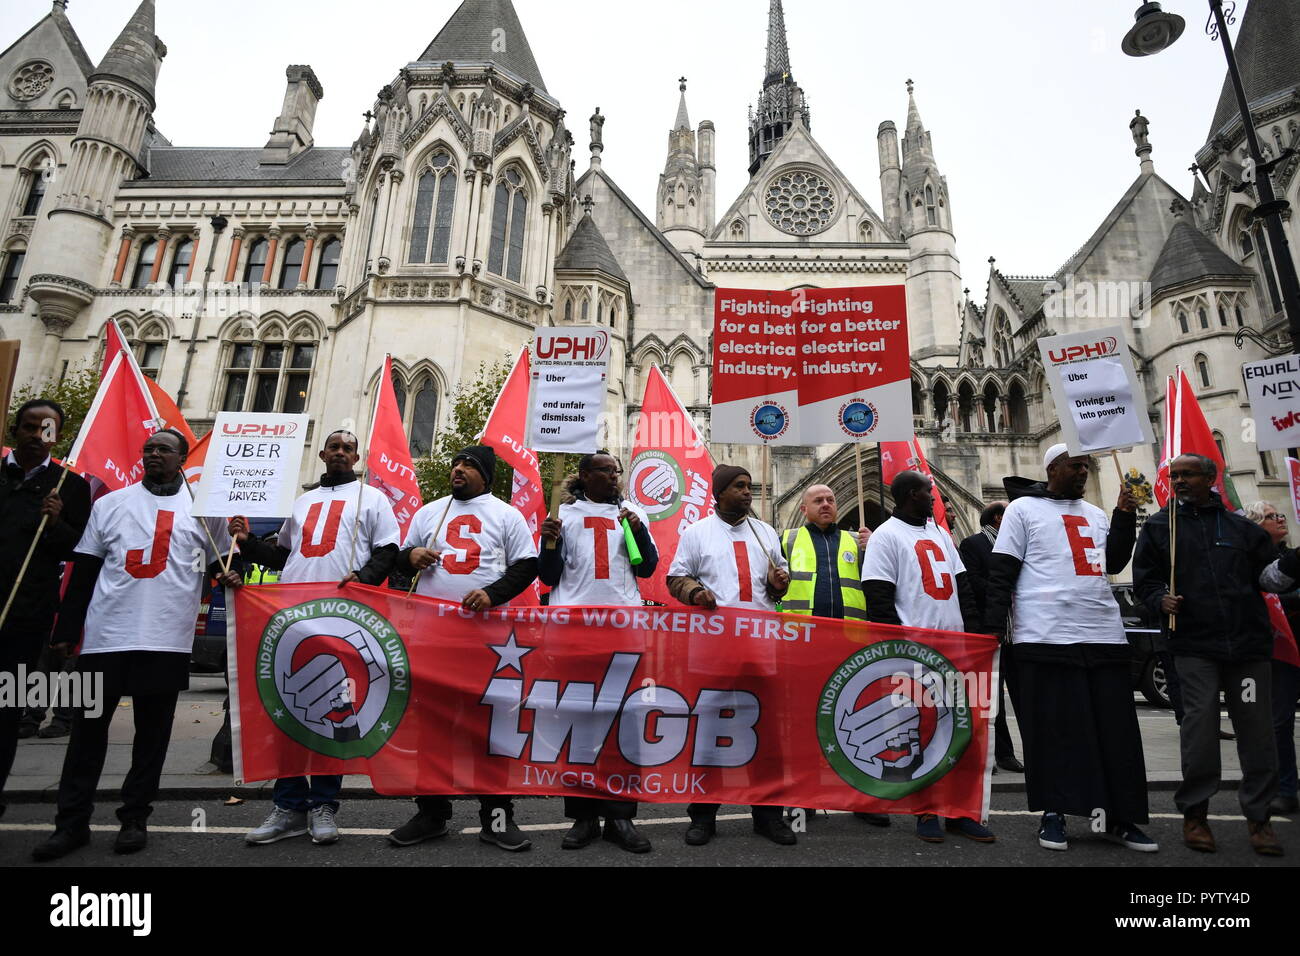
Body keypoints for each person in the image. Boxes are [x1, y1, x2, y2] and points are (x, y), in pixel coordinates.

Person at [32, 430, 242, 861]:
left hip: (166, 640)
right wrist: (67, 630)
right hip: (106, 638)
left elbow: (225, 566)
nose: (153, 454)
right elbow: (85, 570)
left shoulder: (203, 512)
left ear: (182, 458)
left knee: (152, 738)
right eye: (148, 448)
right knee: (86, 736)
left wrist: (236, 556)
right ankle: (71, 823)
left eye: (163, 449)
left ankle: (134, 818)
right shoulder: (110, 504)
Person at [231, 430, 400, 847]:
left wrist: (363, 579)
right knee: (288, 709)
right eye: (335, 447)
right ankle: (288, 806)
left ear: (357, 456)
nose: (341, 452)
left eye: (348, 447)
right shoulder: (303, 502)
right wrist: (247, 542)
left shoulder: (372, 499)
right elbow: (283, 555)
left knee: (337, 712)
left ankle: (324, 804)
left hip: (342, 617)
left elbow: (389, 549)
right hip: (295, 616)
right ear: (323, 454)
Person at [985, 444, 1157, 853]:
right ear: (1053, 469)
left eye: (1086, 466)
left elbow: (1113, 563)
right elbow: (1002, 571)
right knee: (1055, 731)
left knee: (1114, 734)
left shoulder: (1097, 514)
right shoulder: (1023, 511)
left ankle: (1121, 818)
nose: (1083, 472)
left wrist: (1124, 512)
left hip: (1102, 634)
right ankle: (1054, 813)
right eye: (1076, 466)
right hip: (1045, 636)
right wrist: (992, 632)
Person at [387, 446, 539, 852]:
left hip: (487, 643)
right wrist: (410, 556)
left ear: (485, 475)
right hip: (434, 638)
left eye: (469, 464)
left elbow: (527, 565)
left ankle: (496, 816)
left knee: (491, 729)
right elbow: (400, 560)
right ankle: (432, 813)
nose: (458, 468)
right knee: (433, 727)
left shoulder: (506, 515)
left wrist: (492, 594)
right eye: (456, 463)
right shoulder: (429, 513)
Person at [1133, 456, 1285, 856]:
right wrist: (1157, 600)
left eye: (1187, 475)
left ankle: (1260, 817)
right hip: (1193, 646)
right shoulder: (1158, 527)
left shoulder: (1240, 529)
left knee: (1256, 732)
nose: (1179, 481)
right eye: (1174, 476)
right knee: (1198, 730)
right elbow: (1144, 581)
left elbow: (1268, 578)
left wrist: (1291, 566)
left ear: (1210, 478)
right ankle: (1195, 814)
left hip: (1246, 647)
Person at [862, 470, 995, 845]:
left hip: (955, 651)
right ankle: (926, 810)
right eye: (926, 491)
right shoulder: (886, 536)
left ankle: (960, 812)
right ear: (908, 495)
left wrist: (974, 637)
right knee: (919, 734)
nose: (933, 497)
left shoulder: (940, 533)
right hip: (915, 654)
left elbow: (962, 588)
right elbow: (879, 599)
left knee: (960, 734)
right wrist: (897, 651)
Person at [667, 463, 796, 847]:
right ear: (719, 492)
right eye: (739, 486)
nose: (747, 492)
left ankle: (768, 815)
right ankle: (703, 815)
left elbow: (777, 586)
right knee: (710, 731)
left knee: (767, 736)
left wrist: (778, 585)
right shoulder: (697, 533)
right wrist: (695, 593)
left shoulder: (765, 532)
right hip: (715, 650)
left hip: (761, 646)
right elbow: (675, 578)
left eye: (750, 486)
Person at [539, 451, 657, 854]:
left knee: (625, 722)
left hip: (623, 631)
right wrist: (549, 543)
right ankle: (584, 815)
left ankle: (621, 816)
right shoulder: (565, 515)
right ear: (586, 476)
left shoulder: (631, 512)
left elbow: (648, 569)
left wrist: (639, 531)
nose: (614, 476)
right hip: (575, 633)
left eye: (616, 471)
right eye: (605, 471)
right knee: (580, 723)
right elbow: (549, 576)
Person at [0, 400, 92, 819]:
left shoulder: (69, 486)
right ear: (15, 429)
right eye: (30, 428)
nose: (38, 437)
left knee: (6, 713)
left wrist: (57, 523)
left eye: (48, 430)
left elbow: (80, 549)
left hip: (25, 618)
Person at [779, 484, 886, 829]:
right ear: (804, 508)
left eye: (830, 500)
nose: (826, 505)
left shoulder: (856, 541)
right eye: (818, 501)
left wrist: (873, 549)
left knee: (856, 724)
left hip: (849, 646)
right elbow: (771, 585)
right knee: (803, 725)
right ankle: (801, 798)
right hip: (802, 644)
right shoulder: (789, 539)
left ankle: (862, 798)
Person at [958, 501, 1025, 774]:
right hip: (991, 631)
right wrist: (1006, 589)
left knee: (1025, 695)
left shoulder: (1021, 544)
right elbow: (973, 583)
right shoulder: (974, 545)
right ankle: (1000, 753)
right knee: (991, 700)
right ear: (998, 518)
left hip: (1021, 630)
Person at [1244, 501, 1300, 816]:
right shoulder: (1255, 562)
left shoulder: (1288, 555)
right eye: (1270, 516)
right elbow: (1270, 591)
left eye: (1280, 514)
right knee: (1279, 723)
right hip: (1279, 651)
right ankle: (1286, 788)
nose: (1280, 519)